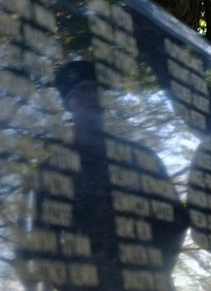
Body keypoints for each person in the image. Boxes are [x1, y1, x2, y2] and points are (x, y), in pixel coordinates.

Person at [18, 60, 189, 291]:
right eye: (83, 90)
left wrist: (153, 270)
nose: (93, 96)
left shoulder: (141, 158)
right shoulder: (52, 173)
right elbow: (44, 242)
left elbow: (175, 220)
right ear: (67, 103)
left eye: (98, 89)